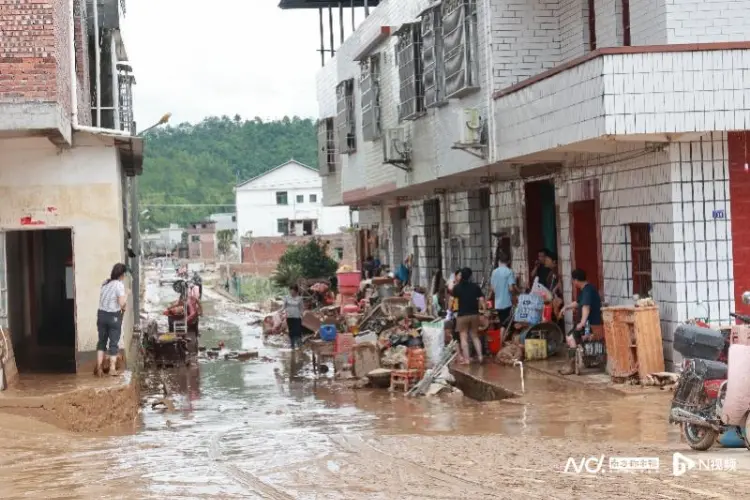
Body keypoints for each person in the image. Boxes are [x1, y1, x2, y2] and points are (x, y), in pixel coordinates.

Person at [559, 269, 603, 375]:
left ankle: (572, 365)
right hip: (588, 323)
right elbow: (579, 303)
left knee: (570, 338)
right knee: (570, 337)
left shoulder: (587, 290)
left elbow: (586, 306)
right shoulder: (587, 289)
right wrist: (566, 307)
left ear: (576, 280)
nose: (573, 283)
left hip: (590, 324)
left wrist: (582, 322)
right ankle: (574, 363)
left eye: (573, 281)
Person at [96, 263, 128, 377]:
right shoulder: (119, 285)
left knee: (101, 342)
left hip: (101, 315)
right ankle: (112, 369)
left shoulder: (105, 283)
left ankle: (99, 368)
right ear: (122, 274)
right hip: (113, 316)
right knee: (113, 343)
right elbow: (121, 303)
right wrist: (126, 297)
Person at [449, 267, 487, 364]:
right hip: (474, 315)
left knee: (463, 337)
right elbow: (482, 300)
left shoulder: (457, 288)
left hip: (462, 316)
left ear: (461, 276)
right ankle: (480, 357)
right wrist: (484, 311)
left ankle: (467, 360)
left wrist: (450, 309)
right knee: (475, 336)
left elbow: (451, 300)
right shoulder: (475, 286)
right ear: (470, 276)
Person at [490, 252, 516, 328]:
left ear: (499, 261)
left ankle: (502, 339)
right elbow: (511, 288)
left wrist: (498, 293)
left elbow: (492, 288)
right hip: (507, 302)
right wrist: (515, 296)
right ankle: (503, 340)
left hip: (498, 303)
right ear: (508, 261)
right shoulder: (509, 271)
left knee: (502, 322)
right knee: (506, 325)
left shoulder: (494, 272)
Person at [282, 285, 304, 350]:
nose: (291, 292)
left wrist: (302, 315)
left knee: (297, 331)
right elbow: (283, 306)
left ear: (296, 291)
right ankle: (292, 346)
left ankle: (300, 346)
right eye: (290, 290)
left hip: (297, 317)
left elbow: (301, 308)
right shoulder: (286, 298)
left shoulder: (300, 298)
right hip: (289, 317)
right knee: (291, 331)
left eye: (293, 290)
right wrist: (280, 311)